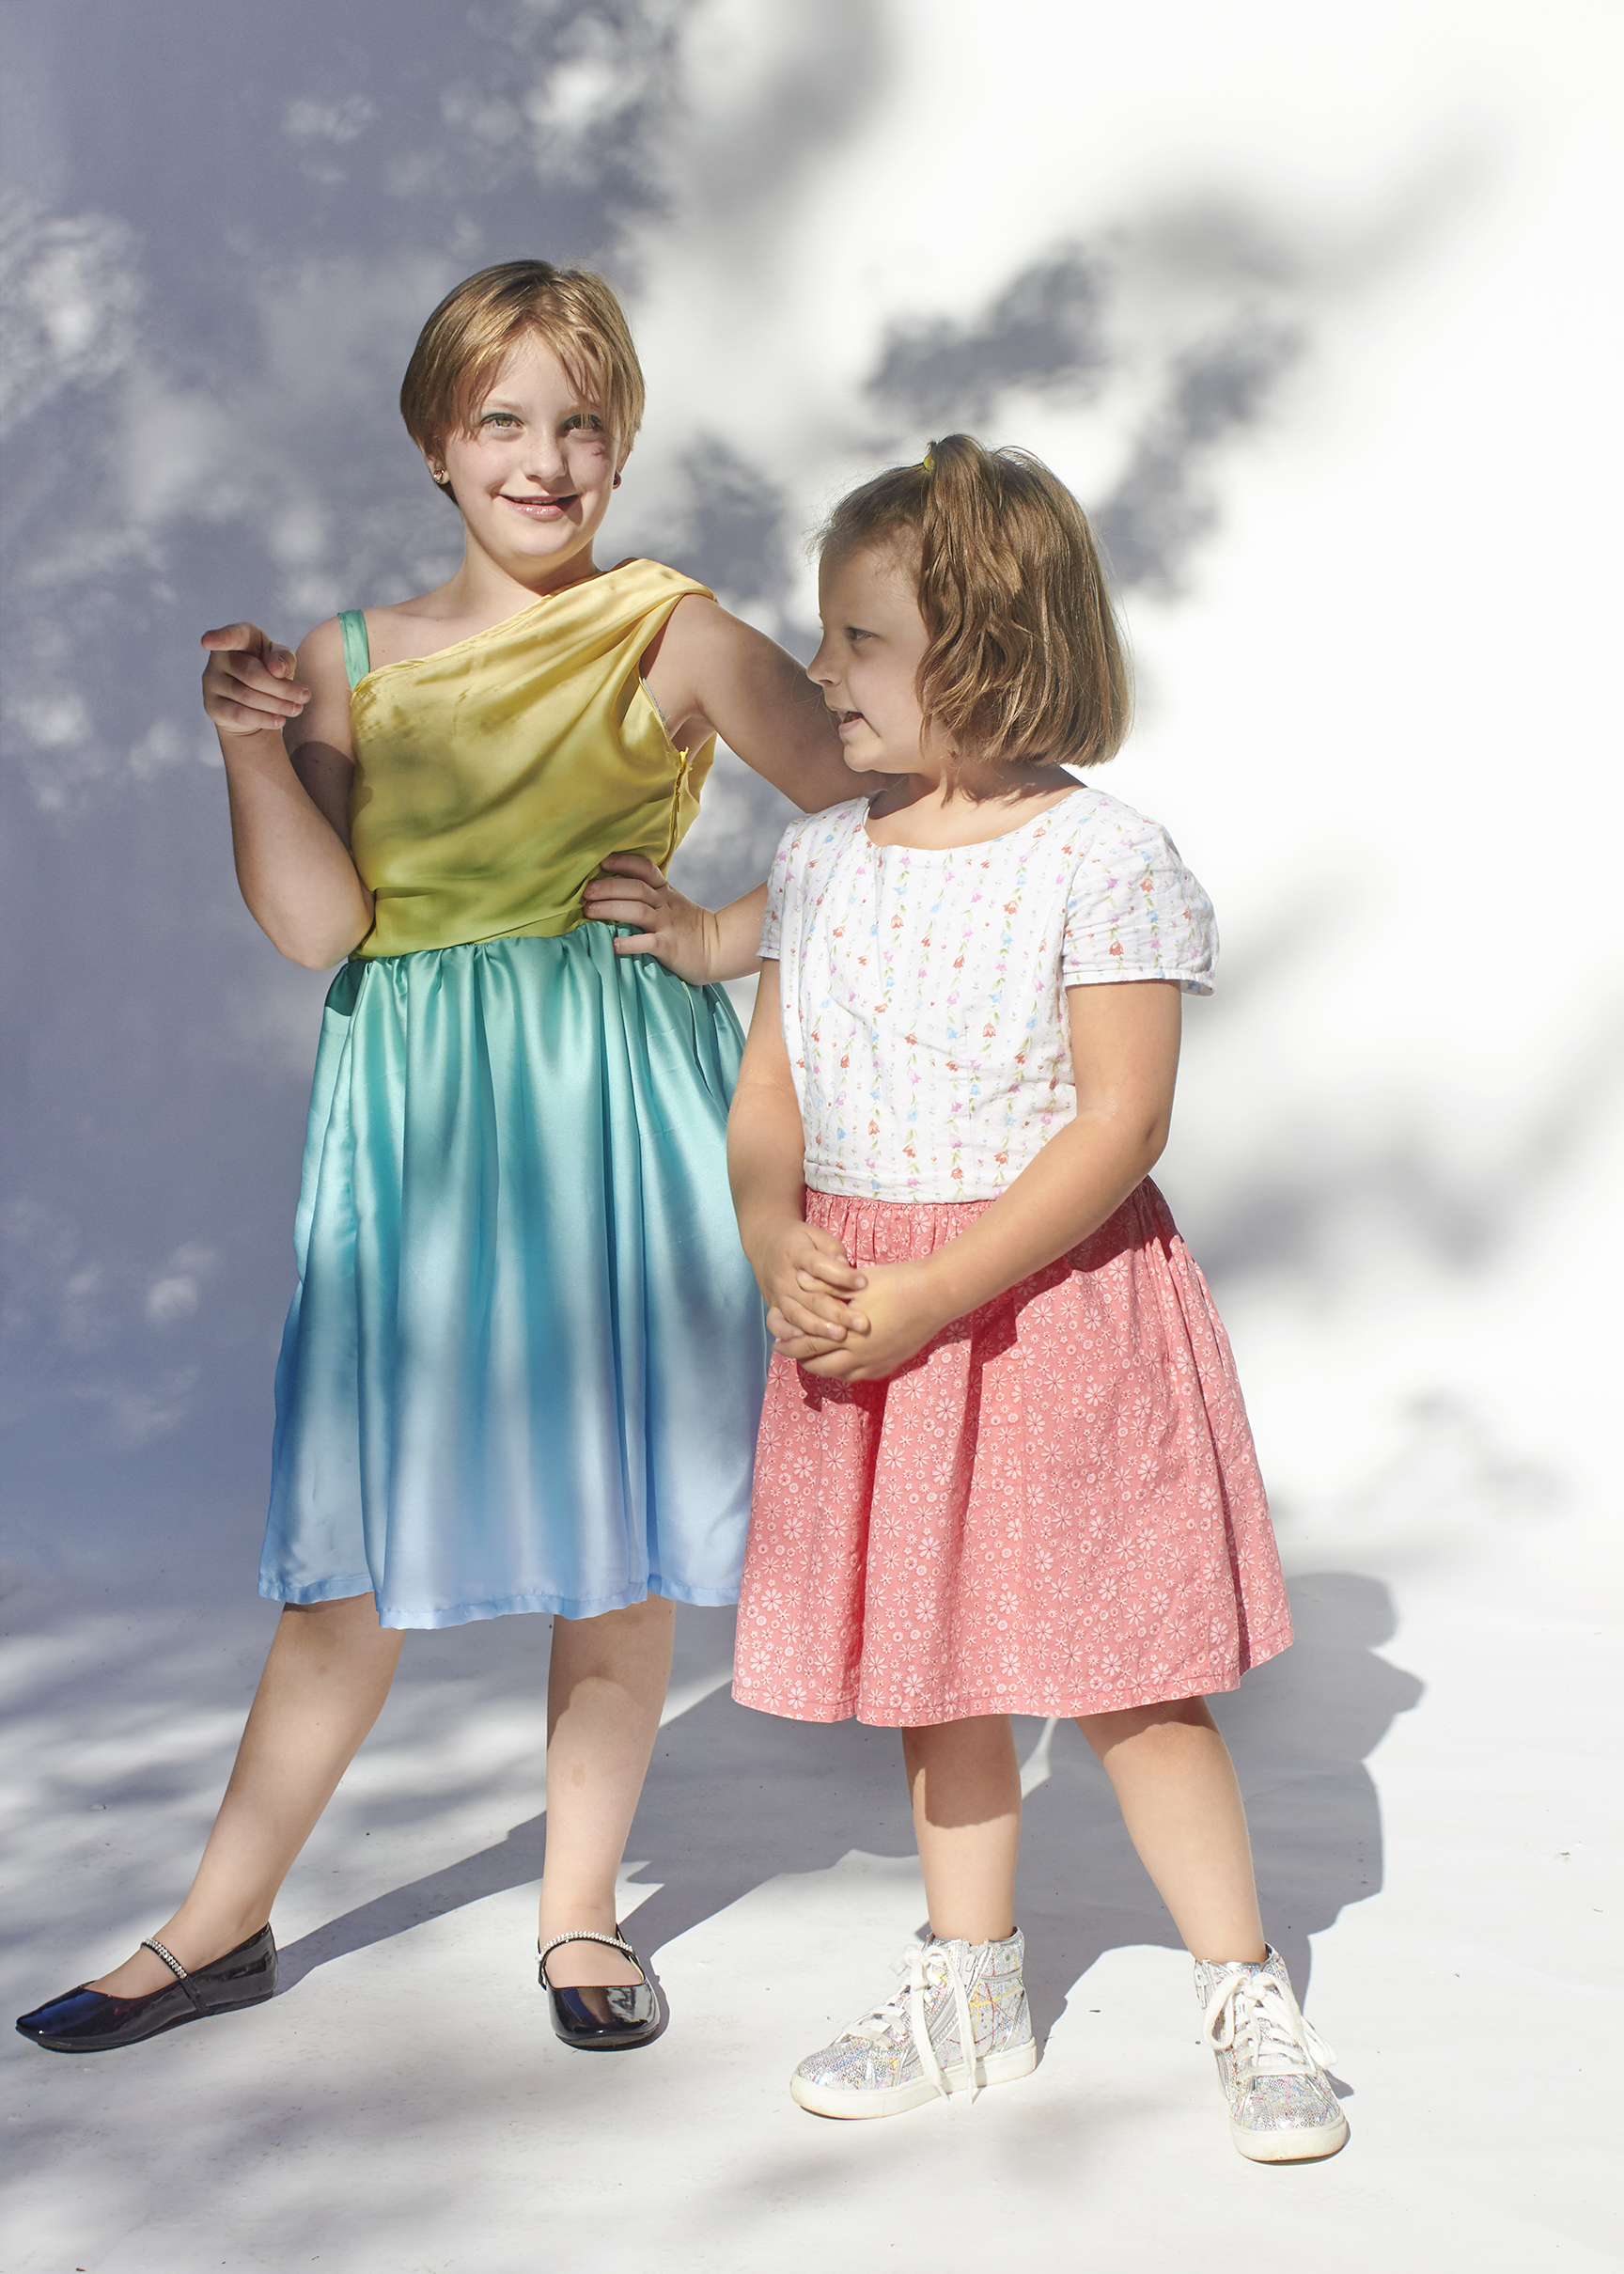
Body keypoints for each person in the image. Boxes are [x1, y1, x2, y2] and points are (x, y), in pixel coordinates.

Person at [16, 260, 867, 2059]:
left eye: (579, 422)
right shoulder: (341, 659)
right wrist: (251, 753)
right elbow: (324, 929)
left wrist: (720, 930)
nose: (543, 459)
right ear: (436, 439)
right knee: (346, 1555)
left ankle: (578, 1919)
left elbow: (886, 819)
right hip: (413, 1130)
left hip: (614, 1116)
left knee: (612, 1545)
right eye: (503, 419)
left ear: (621, 444)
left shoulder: (670, 630)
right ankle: (217, 1923)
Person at [716, 434, 1347, 2160]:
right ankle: (971, 1981)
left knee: (1132, 1676)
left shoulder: (1103, 856)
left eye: (856, 643)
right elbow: (769, 1093)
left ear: (982, 658)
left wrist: (935, 1295)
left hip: (1047, 1312)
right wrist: (778, 1235)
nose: (821, 672)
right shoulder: (828, 859)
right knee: (943, 1669)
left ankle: (1246, 1989)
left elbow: (1123, 1120)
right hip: (876, 1313)